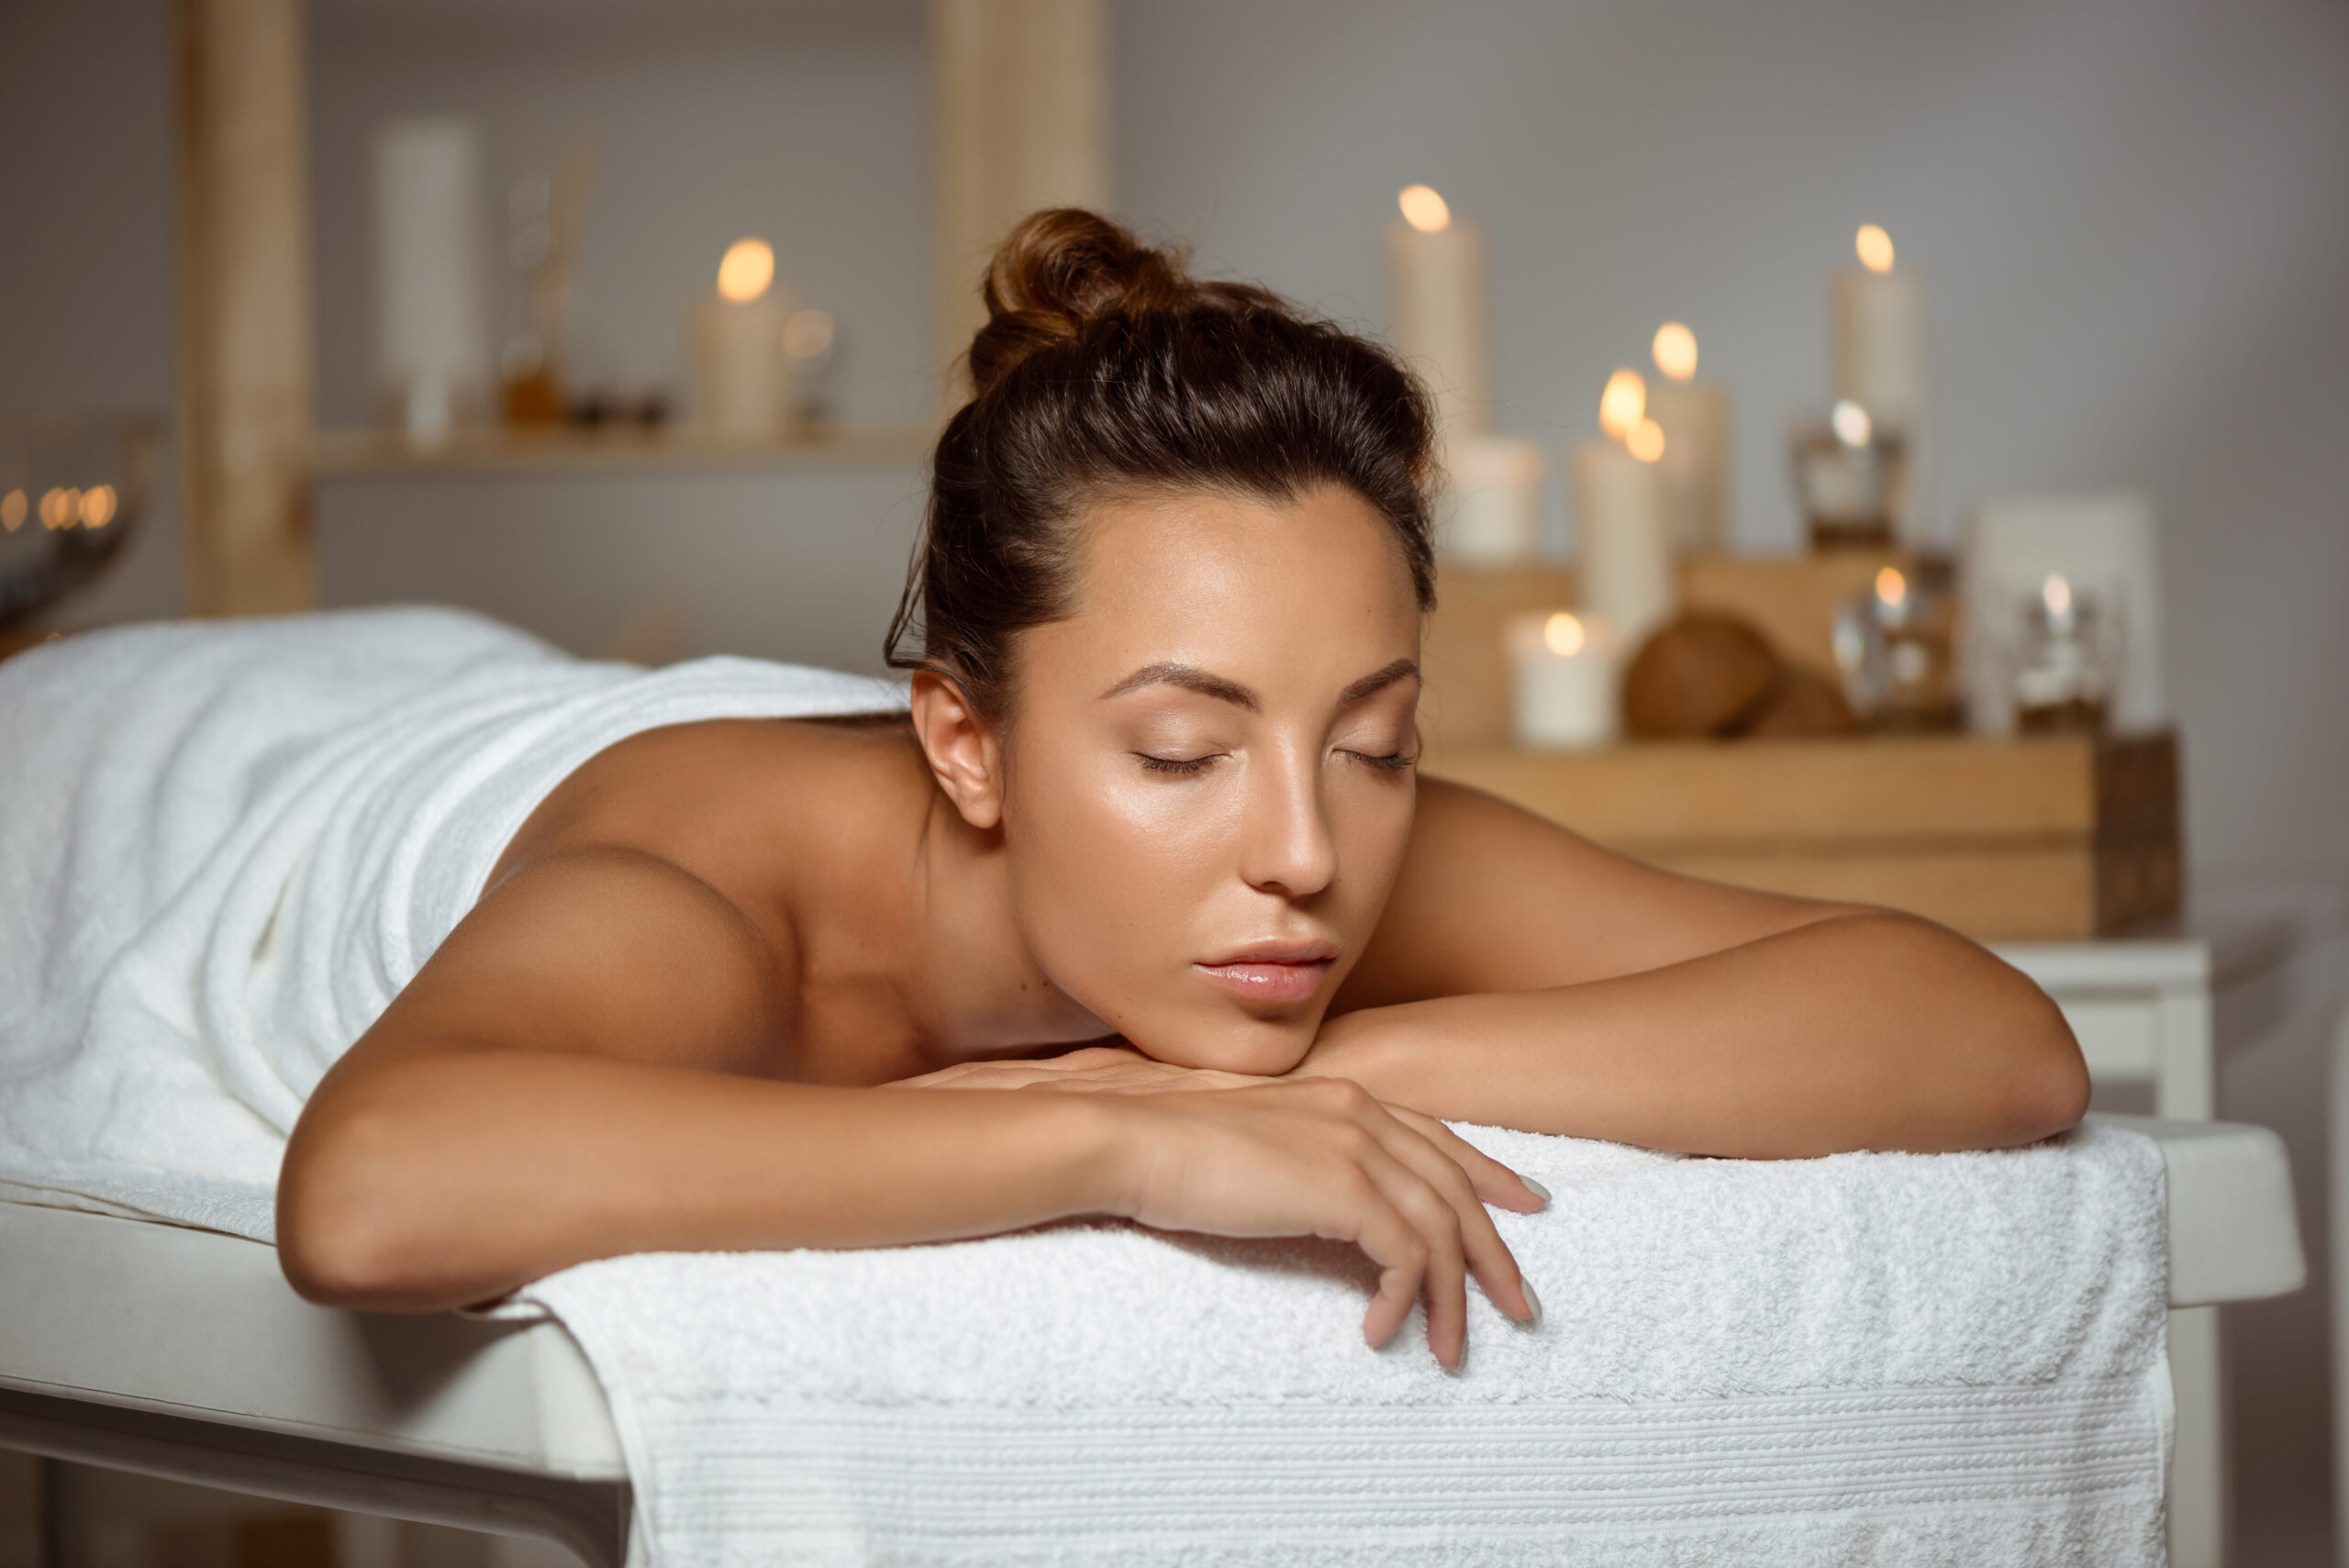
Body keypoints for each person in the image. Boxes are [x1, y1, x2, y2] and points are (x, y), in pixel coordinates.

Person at [278, 210, 2087, 1367]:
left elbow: (1987, 1038)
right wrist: (1119, 1134)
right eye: (1179, 753)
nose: (1301, 852)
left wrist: (1365, 1064)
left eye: (1373, 744)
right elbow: (366, 1195)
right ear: (962, 743)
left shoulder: (1309, 853)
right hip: (257, 774)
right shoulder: (707, 900)